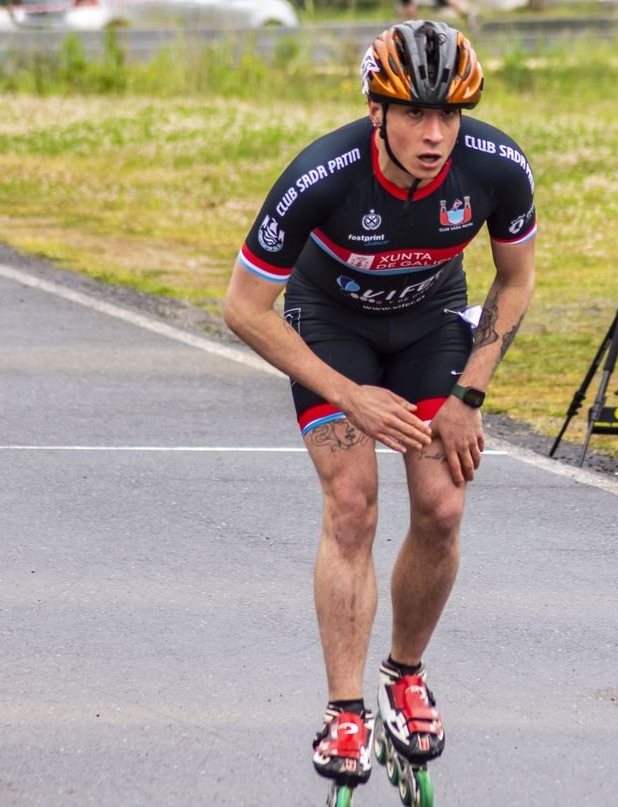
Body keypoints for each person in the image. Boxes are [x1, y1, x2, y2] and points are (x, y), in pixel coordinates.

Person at [223, 19, 536, 794]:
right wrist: (348, 394)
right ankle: (344, 709)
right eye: (415, 114)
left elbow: (516, 278)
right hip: (333, 330)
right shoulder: (321, 176)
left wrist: (468, 393)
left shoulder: (495, 167)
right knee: (353, 504)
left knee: (443, 504)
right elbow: (243, 307)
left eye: (449, 114)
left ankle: (404, 674)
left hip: (430, 325)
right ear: (376, 110)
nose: (434, 134)